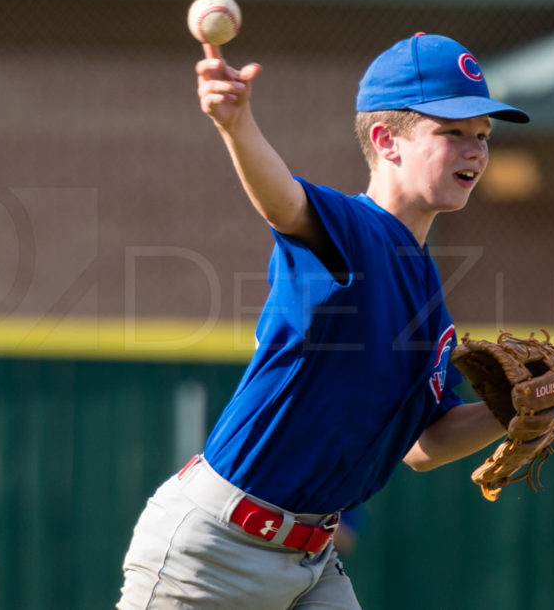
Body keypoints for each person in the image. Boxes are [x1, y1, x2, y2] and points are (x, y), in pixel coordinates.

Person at [118, 31, 530, 609]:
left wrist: (505, 409)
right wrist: (236, 125)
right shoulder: (353, 229)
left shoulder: (430, 293)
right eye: (452, 132)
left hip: (313, 564)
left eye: (483, 135)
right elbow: (282, 202)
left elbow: (421, 446)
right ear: (387, 140)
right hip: (215, 555)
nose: (476, 150)